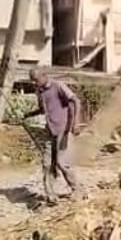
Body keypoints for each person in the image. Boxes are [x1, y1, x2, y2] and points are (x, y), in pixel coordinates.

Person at [26, 69, 80, 202]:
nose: (35, 83)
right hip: (50, 130)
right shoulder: (39, 92)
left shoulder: (58, 86)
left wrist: (75, 123)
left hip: (63, 128)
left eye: (36, 80)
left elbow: (75, 101)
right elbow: (43, 109)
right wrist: (28, 115)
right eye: (33, 80)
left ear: (44, 76)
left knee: (61, 162)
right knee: (46, 163)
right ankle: (50, 194)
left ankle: (77, 190)